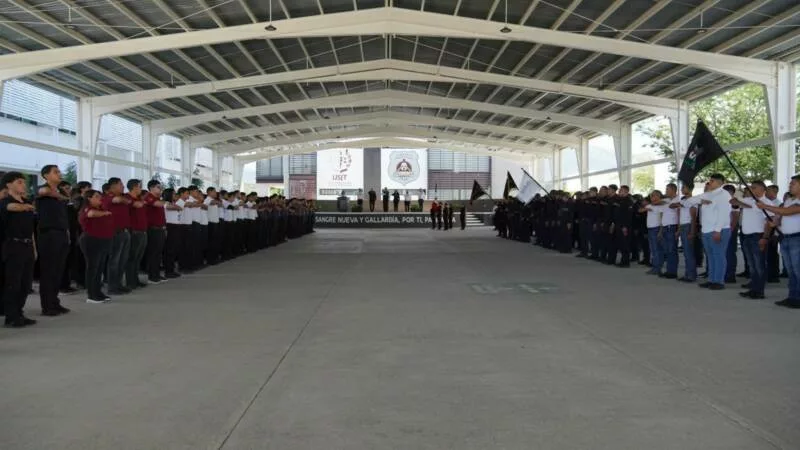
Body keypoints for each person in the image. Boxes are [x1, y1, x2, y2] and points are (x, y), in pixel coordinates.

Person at [756, 175, 800, 308]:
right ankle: (793, 297)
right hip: (785, 238)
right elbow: (782, 215)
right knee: (791, 271)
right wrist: (776, 222)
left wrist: (765, 206)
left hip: (797, 238)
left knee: (797, 270)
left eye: (793, 184)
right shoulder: (789, 200)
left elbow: (788, 212)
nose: (790, 185)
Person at [1, 172, 37, 327]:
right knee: (13, 283)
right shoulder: (5, 202)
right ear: (9, 185)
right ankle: (11, 316)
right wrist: (25, 207)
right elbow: (12, 207)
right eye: (19, 182)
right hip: (13, 246)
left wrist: (34, 248)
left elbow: (31, 230)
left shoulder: (27, 202)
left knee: (25, 283)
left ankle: (19, 312)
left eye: (24, 182)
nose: (23, 185)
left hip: (27, 245)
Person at [684, 174, 732, 290]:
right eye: (710, 180)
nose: (710, 182)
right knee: (710, 256)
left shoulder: (724, 194)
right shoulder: (707, 194)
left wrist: (718, 230)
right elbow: (687, 202)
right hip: (706, 230)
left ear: (720, 182)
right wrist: (701, 200)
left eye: (713, 181)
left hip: (718, 230)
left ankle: (719, 281)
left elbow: (724, 213)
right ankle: (711, 279)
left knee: (718, 255)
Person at [36, 165, 71, 315]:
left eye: (59, 172)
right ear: (46, 175)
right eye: (55, 172)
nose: (59, 174)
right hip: (49, 234)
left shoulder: (60, 192)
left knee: (58, 270)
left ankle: (54, 301)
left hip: (62, 233)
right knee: (48, 270)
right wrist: (60, 196)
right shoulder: (42, 189)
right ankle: (47, 305)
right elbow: (43, 192)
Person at [731, 181, 772, 300]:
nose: (751, 190)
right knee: (752, 265)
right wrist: (740, 196)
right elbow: (733, 202)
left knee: (759, 265)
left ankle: (759, 291)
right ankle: (753, 288)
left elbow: (769, 221)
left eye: (754, 188)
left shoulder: (765, 202)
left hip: (758, 236)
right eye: (750, 188)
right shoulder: (749, 200)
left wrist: (765, 237)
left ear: (763, 189)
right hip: (747, 236)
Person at [79, 189, 114, 304]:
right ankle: (91, 295)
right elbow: (91, 214)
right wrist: (105, 213)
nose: (100, 198)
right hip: (91, 240)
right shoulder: (86, 208)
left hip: (103, 240)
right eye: (96, 196)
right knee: (92, 268)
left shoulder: (101, 208)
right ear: (89, 198)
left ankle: (98, 292)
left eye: (100, 196)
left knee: (99, 268)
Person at [102, 177, 132, 296]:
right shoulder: (108, 197)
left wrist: (126, 200)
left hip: (125, 231)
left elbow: (127, 201)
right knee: (114, 261)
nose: (123, 186)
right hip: (115, 232)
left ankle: (119, 284)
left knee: (122, 260)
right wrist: (126, 200)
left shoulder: (122, 197)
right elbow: (119, 200)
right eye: (120, 184)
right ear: (113, 186)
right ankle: (112, 287)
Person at [143, 180, 168, 283]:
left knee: (158, 253)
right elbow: (157, 204)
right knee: (153, 253)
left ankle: (156, 274)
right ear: (151, 188)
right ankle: (152, 276)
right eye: (158, 187)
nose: (160, 189)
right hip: (153, 229)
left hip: (160, 229)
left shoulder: (158, 198)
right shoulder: (148, 197)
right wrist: (166, 202)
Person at [125, 179, 148, 290]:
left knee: (138, 257)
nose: (141, 189)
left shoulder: (139, 198)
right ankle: (130, 281)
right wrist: (144, 201)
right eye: (139, 186)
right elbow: (137, 205)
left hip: (142, 231)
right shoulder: (127, 198)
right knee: (132, 257)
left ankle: (135, 279)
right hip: (134, 231)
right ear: (134, 187)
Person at [674, 183, 698, 283]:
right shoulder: (683, 201)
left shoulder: (693, 201)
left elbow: (693, 218)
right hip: (683, 226)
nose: (682, 189)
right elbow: (679, 215)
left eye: (684, 187)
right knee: (686, 252)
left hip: (688, 226)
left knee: (689, 252)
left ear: (690, 189)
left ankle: (691, 275)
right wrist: (679, 230)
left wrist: (692, 232)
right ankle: (687, 274)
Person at [162, 188, 183, 278]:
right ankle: (168, 271)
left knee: (174, 249)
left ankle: (172, 269)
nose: (176, 195)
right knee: (169, 250)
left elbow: (179, 208)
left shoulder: (173, 203)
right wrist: (177, 206)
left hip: (176, 226)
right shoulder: (165, 203)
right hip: (170, 227)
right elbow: (170, 207)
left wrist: (176, 206)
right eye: (174, 194)